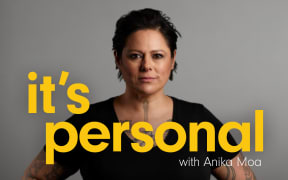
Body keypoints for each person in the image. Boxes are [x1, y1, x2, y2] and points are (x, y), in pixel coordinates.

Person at [23, 8, 256, 180]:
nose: (147, 66)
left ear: (172, 59)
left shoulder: (198, 120)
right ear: (118, 58)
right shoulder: (87, 123)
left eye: (157, 55)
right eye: (135, 55)